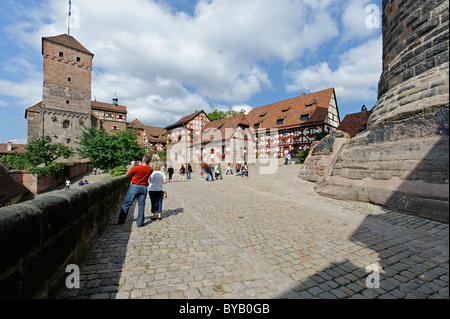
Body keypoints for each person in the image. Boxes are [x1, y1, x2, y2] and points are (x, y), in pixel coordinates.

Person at [118, 154, 154, 227]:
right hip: (143, 187)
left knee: (127, 204)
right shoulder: (150, 169)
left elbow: (127, 174)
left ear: (143, 160)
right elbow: (145, 169)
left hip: (134, 187)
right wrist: (141, 164)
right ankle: (140, 222)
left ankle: (121, 220)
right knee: (141, 205)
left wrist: (132, 165)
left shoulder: (136, 168)